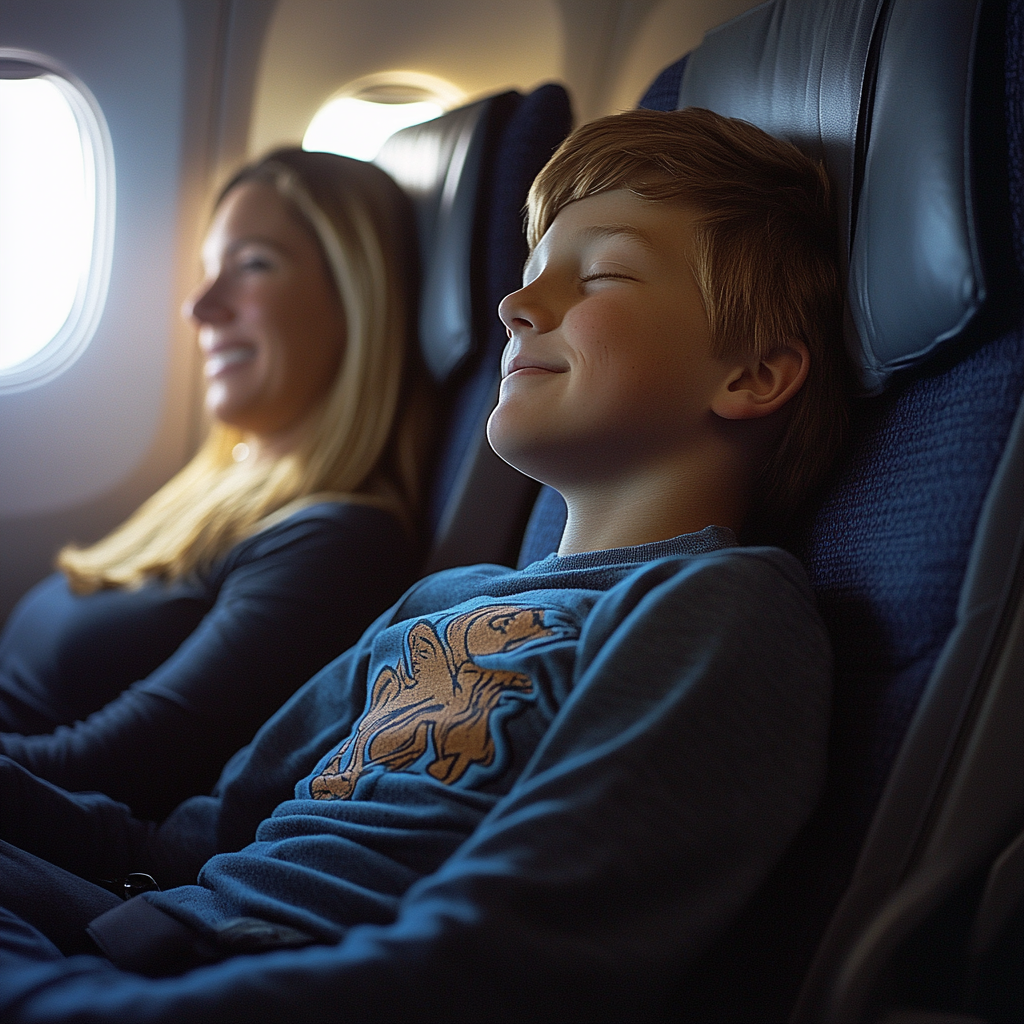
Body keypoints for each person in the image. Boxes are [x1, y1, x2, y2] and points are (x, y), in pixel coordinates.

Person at [0, 107, 851, 1021]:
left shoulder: (721, 610)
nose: (515, 306)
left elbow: (495, 959)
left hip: (219, 980)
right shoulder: (445, 600)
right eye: (529, 276)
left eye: (601, 274)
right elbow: (189, 841)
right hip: (141, 930)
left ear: (754, 375)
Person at [0, 149, 432, 820]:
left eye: (253, 264)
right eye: (207, 272)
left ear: (356, 297)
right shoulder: (214, 490)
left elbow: (112, 769)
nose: (199, 306)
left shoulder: (337, 543)